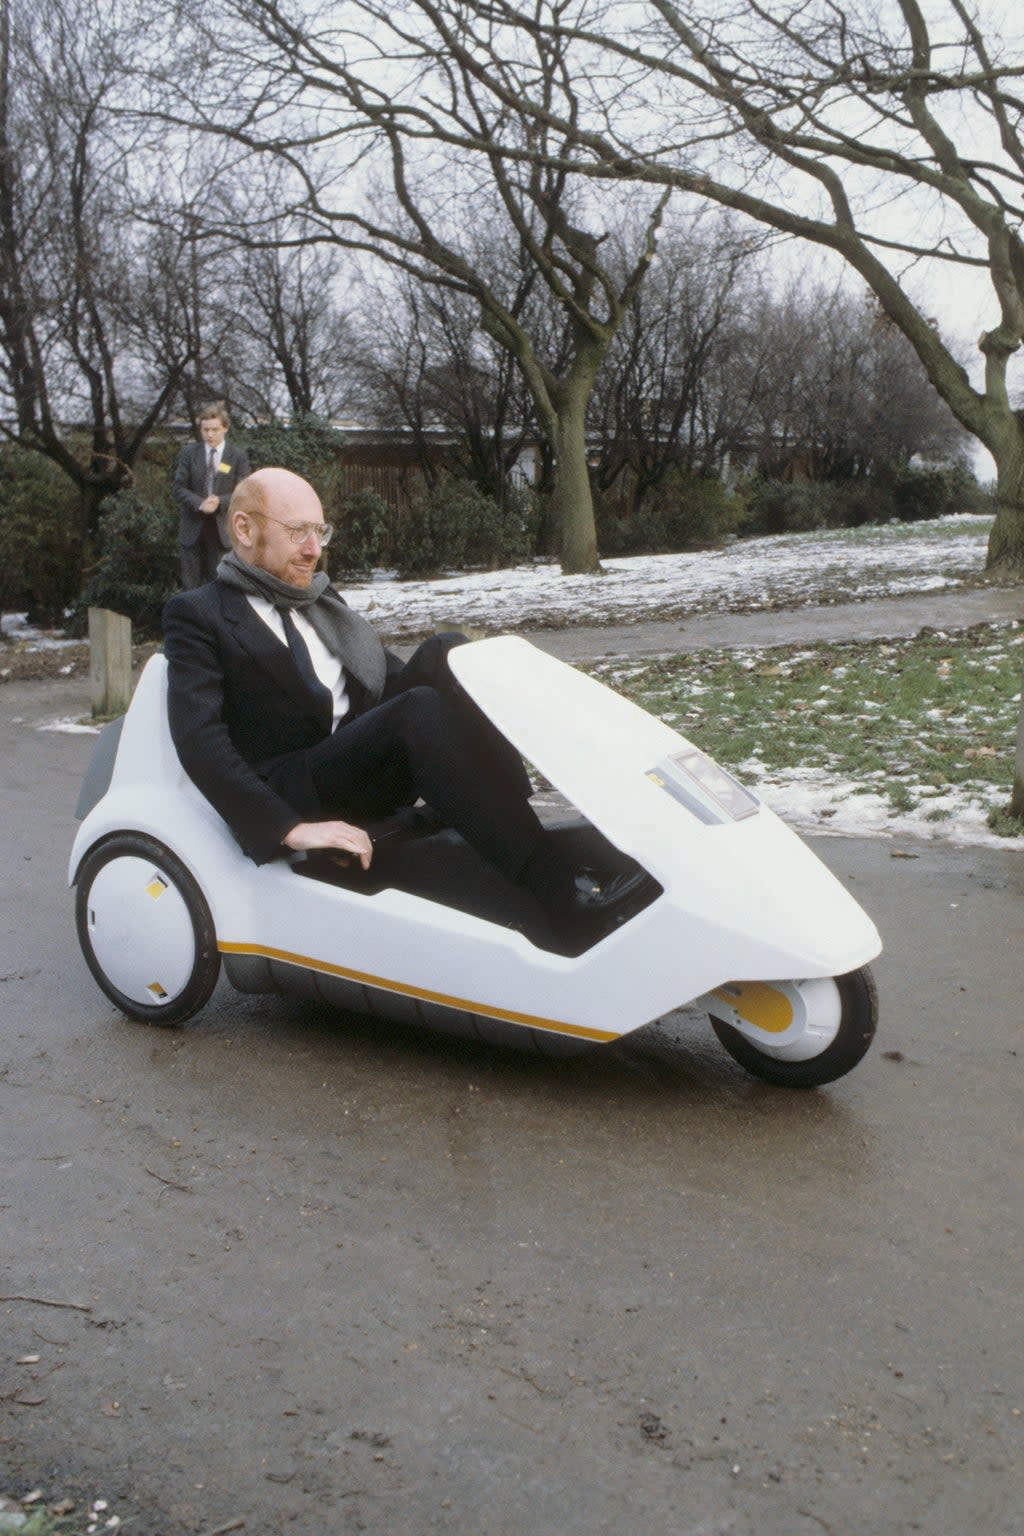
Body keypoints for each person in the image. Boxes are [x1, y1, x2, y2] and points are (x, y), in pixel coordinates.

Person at [161, 467, 656, 947]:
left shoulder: (316, 596)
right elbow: (199, 739)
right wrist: (289, 828)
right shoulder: (199, 615)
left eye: (319, 531)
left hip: (356, 757)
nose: (315, 549)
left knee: (451, 652)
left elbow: (380, 675)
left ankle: (528, 822)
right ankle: (559, 893)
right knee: (417, 709)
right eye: (297, 533)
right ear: (243, 529)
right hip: (300, 787)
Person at [172, 403, 252, 589]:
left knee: (221, 587)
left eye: (215, 429)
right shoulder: (189, 453)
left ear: (225, 428)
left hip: (222, 531)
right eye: (205, 429)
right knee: (190, 589)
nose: (210, 434)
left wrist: (220, 501)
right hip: (192, 530)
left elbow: (244, 493)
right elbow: (178, 488)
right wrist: (200, 503)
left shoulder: (237, 456)